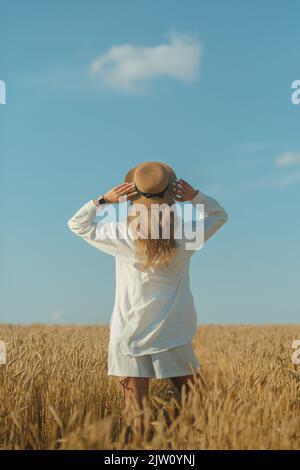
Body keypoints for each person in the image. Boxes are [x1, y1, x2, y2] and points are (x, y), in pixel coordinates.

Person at [67, 161, 228, 440]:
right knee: (204, 405)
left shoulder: (122, 235)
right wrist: (196, 197)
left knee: (135, 421)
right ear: (172, 195)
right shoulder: (183, 236)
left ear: (133, 197)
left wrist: (104, 200)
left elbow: (77, 224)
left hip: (129, 334)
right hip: (172, 332)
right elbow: (219, 215)